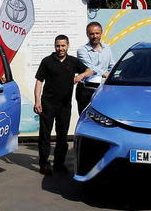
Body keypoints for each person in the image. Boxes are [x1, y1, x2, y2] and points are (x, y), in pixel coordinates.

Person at [34, 35, 94, 175]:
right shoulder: (47, 61)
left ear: (68, 46)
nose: (60, 48)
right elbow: (39, 82)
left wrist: (80, 76)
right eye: (58, 46)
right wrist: (37, 101)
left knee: (62, 136)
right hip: (47, 104)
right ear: (55, 46)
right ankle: (44, 164)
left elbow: (90, 70)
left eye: (63, 46)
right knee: (45, 135)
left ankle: (59, 164)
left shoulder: (73, 61)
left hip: (65, 105)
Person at [75, 22, 115, 114]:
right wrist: (106, 74)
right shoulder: (82, 50)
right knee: (86, 117)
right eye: (92, 34)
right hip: (86, 89)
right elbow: (91, 68)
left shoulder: (107, 48)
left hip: (103, 89)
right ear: (87, 34)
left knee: (104, 116)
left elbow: (112, 65)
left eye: (97, 33)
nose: (95, 36)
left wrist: (112, 75)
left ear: (101, 33)